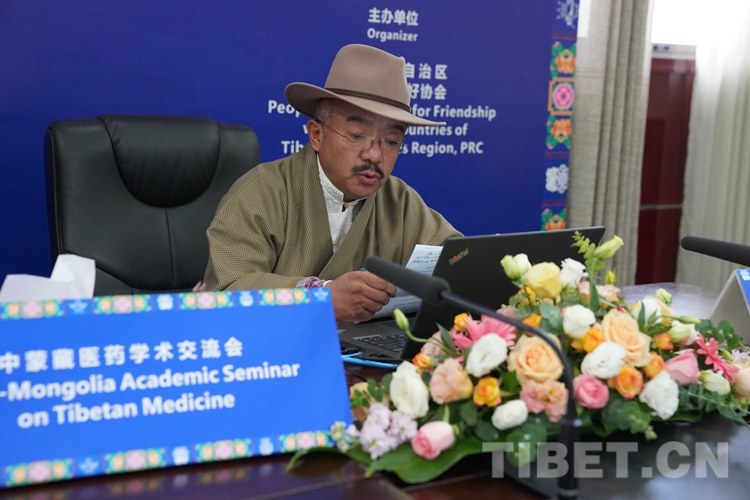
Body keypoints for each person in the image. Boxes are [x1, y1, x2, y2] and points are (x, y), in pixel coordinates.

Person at [202, 44, 461, 323]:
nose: (374, 155)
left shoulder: (399, 200)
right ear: (317, 135)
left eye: (391, 141)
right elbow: (227, 292)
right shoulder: (260, 192)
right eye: (357, 135)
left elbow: (459, 261)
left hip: (368, 348)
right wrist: (320, 297)